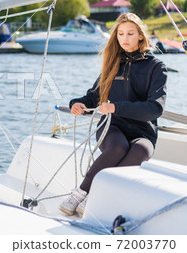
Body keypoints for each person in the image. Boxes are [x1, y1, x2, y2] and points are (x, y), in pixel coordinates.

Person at [59, 13, 167, 216]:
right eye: (120, 34)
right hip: (112, 127)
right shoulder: (113, 64)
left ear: (141, 36)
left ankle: (96, 196)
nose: (125, 38)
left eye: (130, 33)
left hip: (143, 131)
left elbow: (155, 108)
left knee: (140, 151)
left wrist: (117, 107)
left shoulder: (156, 67)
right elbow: (93, 96)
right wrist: (77, 104)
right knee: (118, 147)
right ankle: (80, 192)